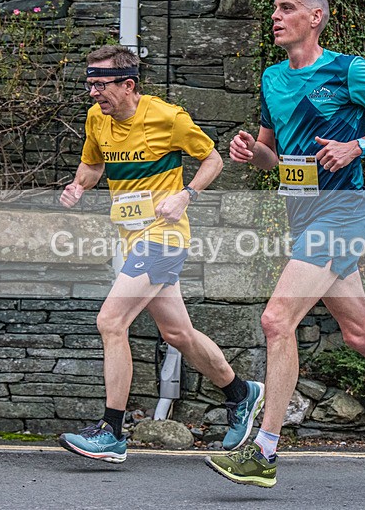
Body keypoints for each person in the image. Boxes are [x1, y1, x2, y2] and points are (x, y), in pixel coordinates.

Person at [205, 0, 365, 488]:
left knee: (276, 320)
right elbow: (271, 157)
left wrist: (356, 146)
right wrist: (250, 152)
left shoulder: (348, 71)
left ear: (316, 16)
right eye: (274, 9)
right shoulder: (272, 78)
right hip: (301, 216)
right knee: (361, 335)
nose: (276, 16)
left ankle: (264, 450)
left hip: (341, 213)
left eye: (287, 8)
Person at [57, 45, 264, 463]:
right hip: (132, 238)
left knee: (111, 321)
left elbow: (212, 159)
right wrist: (79, 185)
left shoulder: (167, 117)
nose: (93, 93)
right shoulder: (96, 118)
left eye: (100, 85)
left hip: (164, 238)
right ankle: (241, 392)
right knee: (178, 334)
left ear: (128, 84)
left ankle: (111, 433)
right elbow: (93, 165)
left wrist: (187, 195)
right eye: (90, 84)